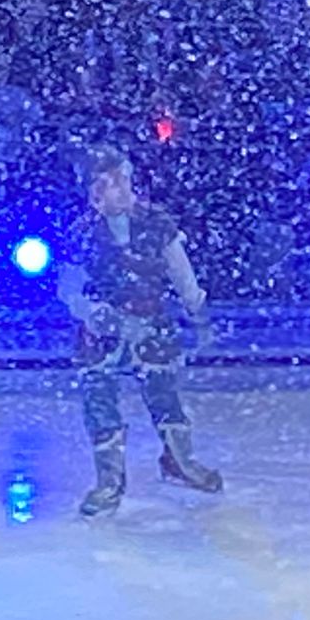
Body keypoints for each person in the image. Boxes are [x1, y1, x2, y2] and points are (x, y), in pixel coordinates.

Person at [56, 144, 222, 517]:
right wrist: (92, 312)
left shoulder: (156, 224)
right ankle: (109, 481)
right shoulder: (83, 233)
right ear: (93, 192)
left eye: (123, 180)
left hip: (151, 326)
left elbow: (182, 273)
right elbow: (68, 289)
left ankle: (180, 460)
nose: (121, 189)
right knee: (100, 402)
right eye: (109, 183)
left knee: (165, 396)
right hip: (102, 334)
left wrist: (198, 312)